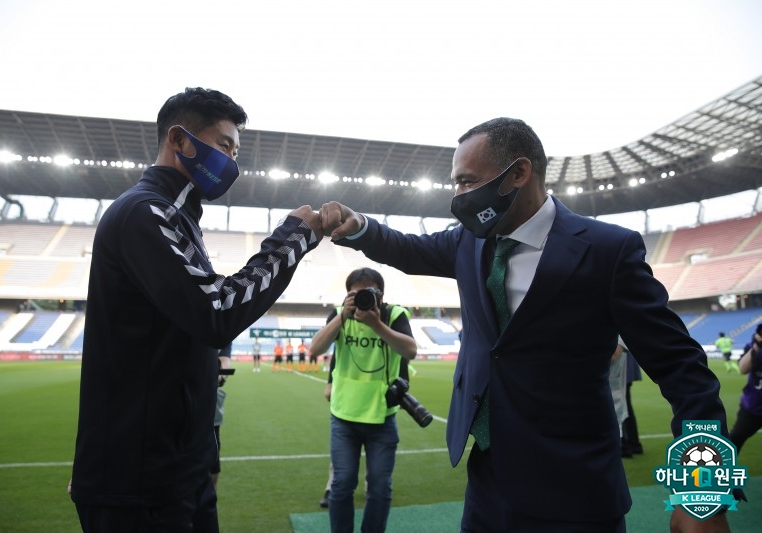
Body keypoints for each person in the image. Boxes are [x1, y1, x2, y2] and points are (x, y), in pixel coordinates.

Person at [320, 117, 735, 532]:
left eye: (467, 181)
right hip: (487, 487)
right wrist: (359, 228)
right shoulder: (469, 240)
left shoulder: (608, 251)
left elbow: (683, 370)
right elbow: (407, 249)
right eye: (455, 183)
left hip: (576, 492)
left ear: (519, 173)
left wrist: (704, 493)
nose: (458, 196)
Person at [70, 87, 324, 533]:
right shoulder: (146, 213)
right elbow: (216, 311)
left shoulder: (178, 216)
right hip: (138, 484)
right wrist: (294, 238)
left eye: (236, 152)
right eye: (224, 146)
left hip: (180, 472)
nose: (232, 162)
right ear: (179, 140)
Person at [310, 267, 417, 533]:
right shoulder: (340, 314)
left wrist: (377, 325)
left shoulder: (393, 315)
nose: (363, 298)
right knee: (342, 484)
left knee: (380, 488)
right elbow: (315, 349)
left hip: (382, 416)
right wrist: (342, 317)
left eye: (370, 292)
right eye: (356, 294)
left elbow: (410, 351)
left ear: (381, 295)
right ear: (347, 295)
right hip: (344, 415)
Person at [728, 324, 762, 455]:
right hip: (753, 406)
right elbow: (743, 369)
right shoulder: (754, 346)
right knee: (735, 439)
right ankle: (723, 466)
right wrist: (757, 345)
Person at [211, 353, 232, 490]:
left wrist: (221, 376)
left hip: (211, 405)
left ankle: (212, 495)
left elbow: (225, 358)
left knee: (214, 452)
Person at [621, 349, 644, 458]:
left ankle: (625, 445)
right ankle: (632, 444)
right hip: (624, 365)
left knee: (621, 407)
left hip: (620, 367)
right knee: (625, 405)